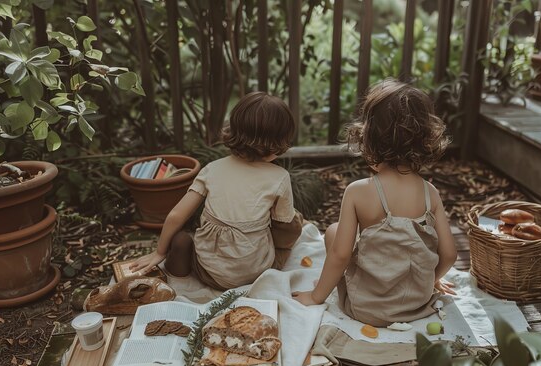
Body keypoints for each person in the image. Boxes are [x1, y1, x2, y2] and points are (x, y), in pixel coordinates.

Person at [293, 79, 457, 327]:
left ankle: (327, 288)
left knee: (334, 232)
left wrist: (316, 297)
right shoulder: (429, 193)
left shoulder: (358, 192)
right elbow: (449, 254)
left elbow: (340, 255)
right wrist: (431, 280)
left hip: (365, 309)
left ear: (369, 139)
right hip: (417, 306)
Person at [131, 92, 303, 290]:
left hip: (210, 273)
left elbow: (176, 215)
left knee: (181, 239)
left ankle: (178, 270)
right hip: (256, 272)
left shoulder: (212, 169)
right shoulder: (280, 177)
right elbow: (283, 222)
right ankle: (269, 257)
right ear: (280, 142)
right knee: (294, 220)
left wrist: (159, 252)